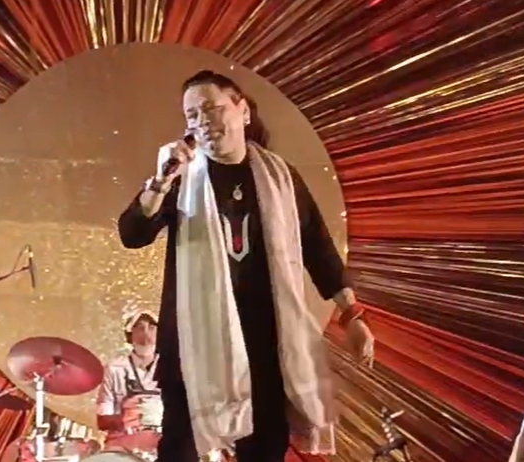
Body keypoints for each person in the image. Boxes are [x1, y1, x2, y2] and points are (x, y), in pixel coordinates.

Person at [117, 69, 376, 462]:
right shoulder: (180, 179)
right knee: (179, 452)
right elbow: (133, 233)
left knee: (265, 451)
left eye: (211, 108)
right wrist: (160, 180)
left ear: (243, 111)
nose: (202, 121)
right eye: (191, 115)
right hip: (193, 345)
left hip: (266, 344)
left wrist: (352, 315)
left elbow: (319, 250)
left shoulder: (281, 178)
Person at [96, 310, 163, 452]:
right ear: (129, 336)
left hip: (163, 443)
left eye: (152, 327)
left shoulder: (174, 368)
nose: (146, 333)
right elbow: (102, 421)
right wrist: (126, 418)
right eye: (139, 327)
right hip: (124, 444)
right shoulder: (114, 369)